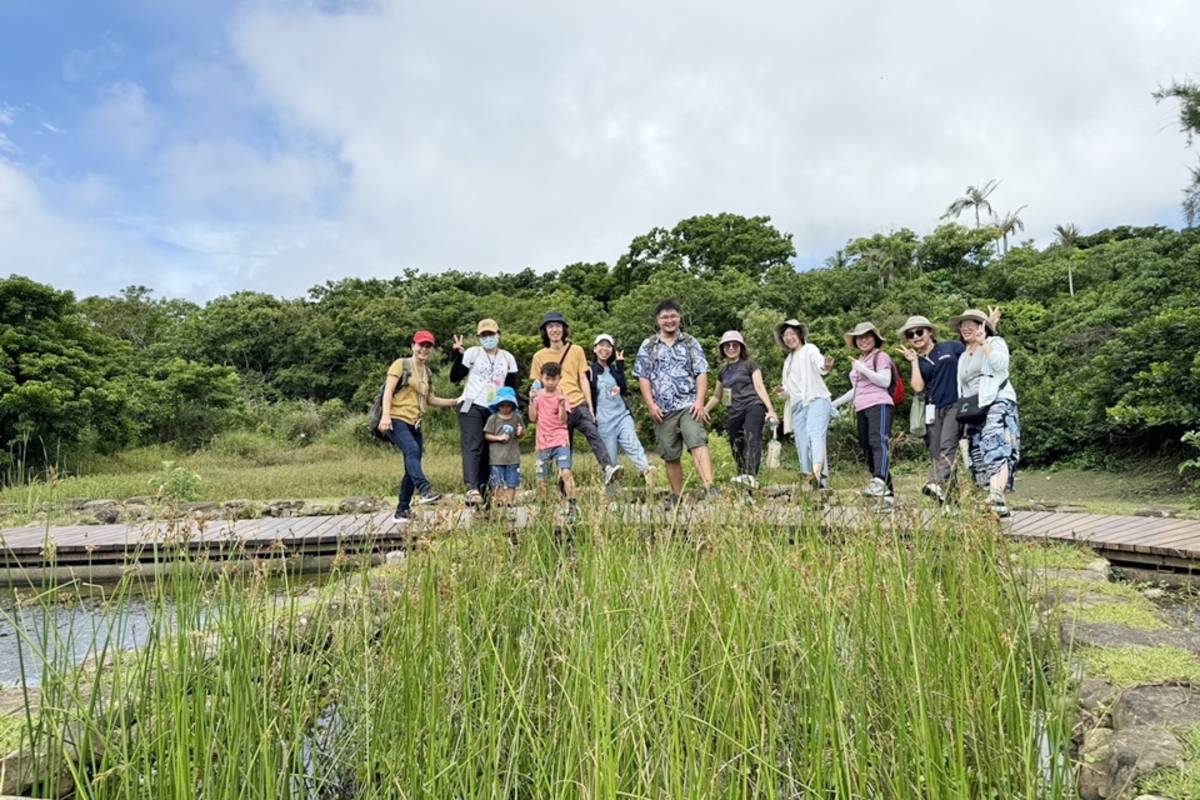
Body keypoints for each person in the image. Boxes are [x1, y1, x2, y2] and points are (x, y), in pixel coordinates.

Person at [896, 308, 1002, 504]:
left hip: (955, 404)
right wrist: (913, 362)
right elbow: (918, 387)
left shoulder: (950, 347)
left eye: (919, 332)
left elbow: (975, 351)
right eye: (911, 335)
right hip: (933, 409)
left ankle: (934, 481)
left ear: (930, 332)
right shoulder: (918, 360)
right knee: (938, 453)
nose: (915, 337)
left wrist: (990, 326)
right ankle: (949, 502)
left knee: (947, 445)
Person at [634, 299, 714, 507]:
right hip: (662, 409)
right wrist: (650, 405)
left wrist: (700, 401)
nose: (669, 320)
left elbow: (701, 372)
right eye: (664, 317)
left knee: (697, 440)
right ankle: (676, 495)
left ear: (680, 318)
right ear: (657, 320)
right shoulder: (649, 345)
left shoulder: (690, 342)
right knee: (669, 453)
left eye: (673, 316)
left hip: (688, 405)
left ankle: (709, 488)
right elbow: (643, 377)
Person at [375, 330, 462, 523]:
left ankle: (402, 511)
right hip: (396, 418)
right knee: (412, 450)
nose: (424, 349)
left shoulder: (427, 372)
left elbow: (430, 399)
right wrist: (386, 416)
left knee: (411, 464)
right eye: (421, 345)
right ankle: (425, 489)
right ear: (413, 345)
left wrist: (455, 401)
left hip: (415, 423)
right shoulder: (402, 364)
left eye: (428, 346)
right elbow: (388, 391)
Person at [529, 311, 621, 487]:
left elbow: (583, 379)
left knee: (593, 433)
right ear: (545, 331)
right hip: (556, 407)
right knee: (566, 448)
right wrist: (539, 412)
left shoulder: (576, 350)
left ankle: (608, 467)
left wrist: (590, 407)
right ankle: (565, 489)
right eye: (550, 327)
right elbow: (537, 385)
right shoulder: (539, 356)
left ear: (564, 330)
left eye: (558, 326)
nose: (555, 330)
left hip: (577, 402)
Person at [950, 308, 1020, 517]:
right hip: (974, 409)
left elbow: (1001, 366)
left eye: (972, 323)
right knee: (977, 454)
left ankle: (997, 494)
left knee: (995, 445)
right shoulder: (963, 355)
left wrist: (984, 343)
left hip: (997, 401)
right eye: (963, 325)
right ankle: (996, 505)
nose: (966, 327)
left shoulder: (995, 343)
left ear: (983, 326)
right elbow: (962, 386)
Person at [450, 318, 520, 506]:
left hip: (495, 408)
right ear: (479, 337)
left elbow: (512, 388)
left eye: (491, 334)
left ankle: (485, 496)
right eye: (484, 335)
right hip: (471, 403)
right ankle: (472, 487)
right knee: (474, 444)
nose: (488, 338)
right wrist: (458, 355)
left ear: (499, 334)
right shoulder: (473, 353)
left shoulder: (508, 358)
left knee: (490, 451)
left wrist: (516, 417)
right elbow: (454, 377)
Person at [703, 330, 777, 489]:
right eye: (727, 345)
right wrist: (704, 409)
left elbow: (759, 386)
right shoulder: (722, 371)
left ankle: (750, 475)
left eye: (735, 345)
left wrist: (770, 409)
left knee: (752, 437)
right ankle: (743, 477)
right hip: (734, 411)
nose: (731, 348)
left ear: (741, 347)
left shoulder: (750, 365)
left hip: (753, 405)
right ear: (723, 349)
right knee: (735, 444)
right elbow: (717, 396)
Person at [832, 322, 896, 502]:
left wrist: (863, 369)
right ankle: (887, 495)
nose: (863, 340)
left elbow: (884, 381)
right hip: (862, 407)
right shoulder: (860, 361)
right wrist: (835, 403)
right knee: (866, 447)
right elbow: (857, 389)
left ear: (875, 338)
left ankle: (879, 480)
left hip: (879, 404)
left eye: (867, 336)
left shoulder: (881, 356)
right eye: (859, 338)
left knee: (878, 441)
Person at [775, 319, 834, 490]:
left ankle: (820, 478)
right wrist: (782, 391)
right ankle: (808, 479)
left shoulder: (810, 349)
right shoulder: (787, 361)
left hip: (816, 398)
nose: (789, 338)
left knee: (814, 435)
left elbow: (820, 364)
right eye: (785, 335)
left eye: (792, 334)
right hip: (797, 405)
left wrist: (826, 365)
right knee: (801, 442)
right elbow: (790, 387)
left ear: (799, 335)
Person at [588, 334, 652, 485]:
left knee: (633, 444)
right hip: (604, 420)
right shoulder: (590, 371)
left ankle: (647, 472)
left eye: (608, 346)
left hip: (622, 415)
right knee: (610, 460)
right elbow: (589, 394)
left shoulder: (614, 369)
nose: (605, 349)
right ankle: (610, 496)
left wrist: (621, 366)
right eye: (601, 345)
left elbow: (623, 389)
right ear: (595, 349)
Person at [529, 361, 577, 520]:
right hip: (543, 442)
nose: (550, 382)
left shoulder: (562, 395)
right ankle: (543, 510)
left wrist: (562, 406)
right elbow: (532, 417)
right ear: (542, 378)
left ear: (559, 378)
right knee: (542, 479)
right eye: (547, 378)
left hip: (560, 439)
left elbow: (563, 421)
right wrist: (531, 401)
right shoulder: (537, 395)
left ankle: (573, 506)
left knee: (566, 472)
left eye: (553, 379)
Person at [483, 386, 524, 507]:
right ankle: (498, 503)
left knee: (512, 482)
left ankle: (510, 503)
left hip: (513, 457)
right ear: (498, 405)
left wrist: (520, 432)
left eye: (508, 405)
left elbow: (521, 434)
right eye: (502, 405)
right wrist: (499, 438)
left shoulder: (517, 418)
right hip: (497, 458)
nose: (505, 408)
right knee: (497, 483)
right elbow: (487, 435)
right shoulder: (493, 418)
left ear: (512, 405)